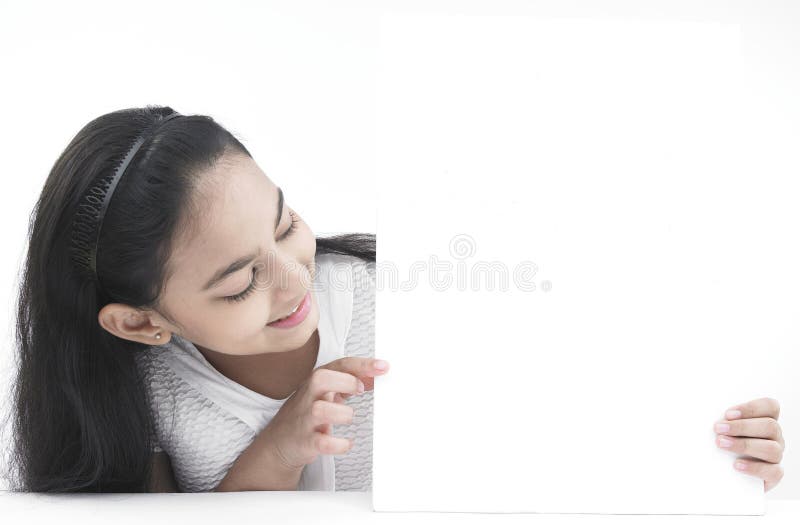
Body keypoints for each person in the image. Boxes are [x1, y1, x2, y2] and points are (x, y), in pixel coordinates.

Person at [4, 105, 386, 492]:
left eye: (285, 227)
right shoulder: (140, 397)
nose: (294, 278)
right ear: (140, 322)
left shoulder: (380, 301)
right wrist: (279, 452)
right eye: (241, 282)